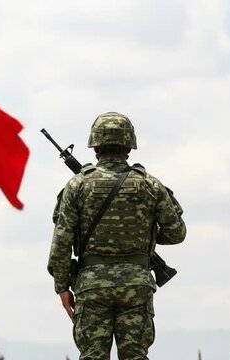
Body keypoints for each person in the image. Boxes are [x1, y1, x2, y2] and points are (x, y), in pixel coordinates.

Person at [47, 112, 186, 360]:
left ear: (95, 146)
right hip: (136, 285)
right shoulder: (150, 185)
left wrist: (61, 286)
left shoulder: (77, 185)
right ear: (129, 145)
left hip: (91, 286)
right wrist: (145, 235)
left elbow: (62, 241)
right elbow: (176, 232)